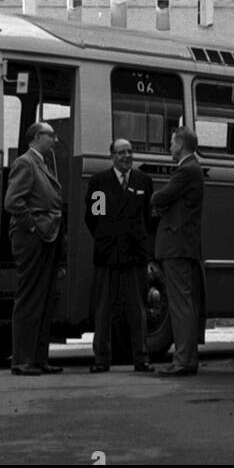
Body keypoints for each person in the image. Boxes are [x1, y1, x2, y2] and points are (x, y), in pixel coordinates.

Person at [84, 139, 155, 373]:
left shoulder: (144, 181)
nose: (126, 156)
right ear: (112, 156)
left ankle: (141, 358)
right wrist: (108, 240)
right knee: (103, 309)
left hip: (134, 254)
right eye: (121, 152)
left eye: (129, 152)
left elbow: (146, 218)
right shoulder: (99, 183)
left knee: (137, 309)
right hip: (108, 254)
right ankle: (101, 359)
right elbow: (94, 218)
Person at [4, 120, 65, 376]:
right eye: (51, 136)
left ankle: (39, 359)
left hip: (47, 235)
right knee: (30, 297)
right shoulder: (25, 163)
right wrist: (33, 228)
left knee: (44, 298)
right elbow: (13, 202)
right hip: (34, 238)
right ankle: (22, 359)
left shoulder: (41, 163)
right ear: (37, 137)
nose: (55, 140)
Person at [150, 126, 204, 376]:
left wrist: (151, 200)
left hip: (176, 245)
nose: (170, 148)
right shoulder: (192, 169)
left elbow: (163, 197)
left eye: (172, 143)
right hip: (183, 245)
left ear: (181, 142)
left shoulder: (186, 170)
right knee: (185, 303)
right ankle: (187, 358)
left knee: (180, 304)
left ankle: (183, 360)